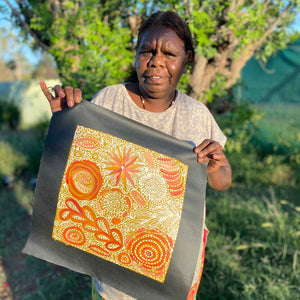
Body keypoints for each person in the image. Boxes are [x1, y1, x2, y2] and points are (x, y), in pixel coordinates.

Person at [40, 11, 231, 300]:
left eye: (170, 53)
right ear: (136, 54)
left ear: (187, 60)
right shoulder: (110, 101)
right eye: (147, 51)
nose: (156, 61)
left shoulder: (197, 116)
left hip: (177, 263)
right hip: (114, 260)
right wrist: (64, 125)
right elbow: (79, 173)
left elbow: (222, 182)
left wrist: (217, 166)